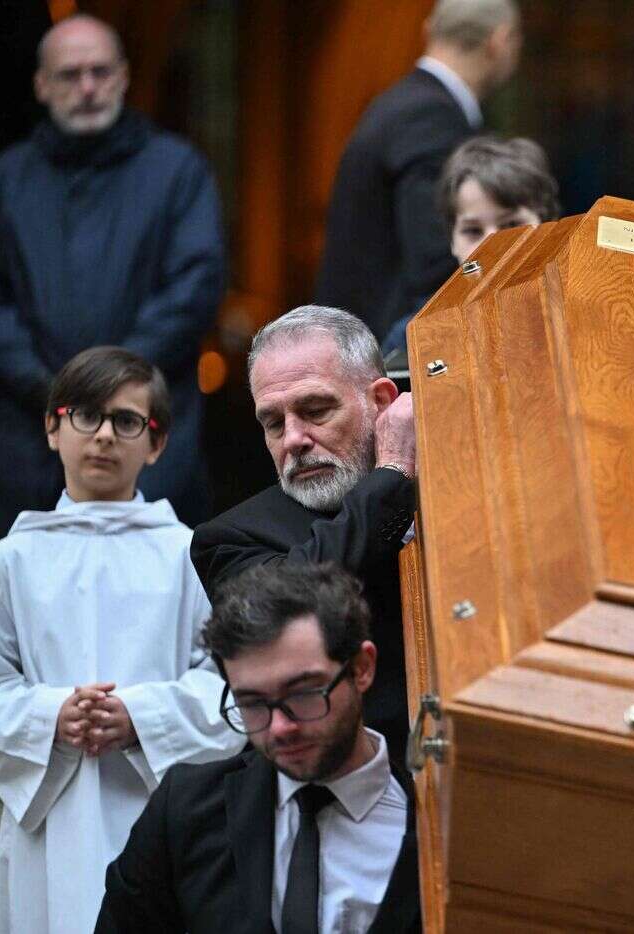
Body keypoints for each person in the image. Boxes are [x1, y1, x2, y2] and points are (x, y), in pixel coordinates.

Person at [0, 346, 246, 934]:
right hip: (46, 822)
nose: (103, 435)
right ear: (53, 428)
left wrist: (139, 716)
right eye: (86, 415)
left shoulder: (189, 555)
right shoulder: (10, 560)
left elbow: (232, 689)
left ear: (156, 444)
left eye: (126, 421)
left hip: (156, 808)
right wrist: (53, 716)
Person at [0, 13, 224, 552]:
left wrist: (109, 386)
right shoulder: (1, 183)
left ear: (123, 76)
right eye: (70, 75)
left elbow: (195, 286)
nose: (87, 87)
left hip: (150, 437)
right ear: (42, 86)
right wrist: (43, 387)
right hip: (23, 443)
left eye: (100, 72)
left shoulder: (178, 172)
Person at [96, 561, 421, 933]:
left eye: (302, 694)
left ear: (362, 668)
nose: (280, 728)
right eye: (252, 704)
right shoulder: (186, 810)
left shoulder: (436, 822)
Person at [191, 306, 417, 764]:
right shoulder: (228, 539)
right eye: (274, 423)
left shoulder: (459, 487)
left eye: (315, 411)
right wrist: (391, 474)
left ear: (382, 402)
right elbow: (301, 602)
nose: (294, 438)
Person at [315, 0, 523, 342]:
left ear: (428, 30)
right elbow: (436, 260)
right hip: (396, 358)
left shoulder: (404, 104)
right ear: (500, 41)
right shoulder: (431, 117)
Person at [381, 133, 561, 354]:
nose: (491, 244)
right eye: (473, 231)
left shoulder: (582, 315)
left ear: (548, 227)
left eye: (512, 225)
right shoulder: (410, 339)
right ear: (452, 241)